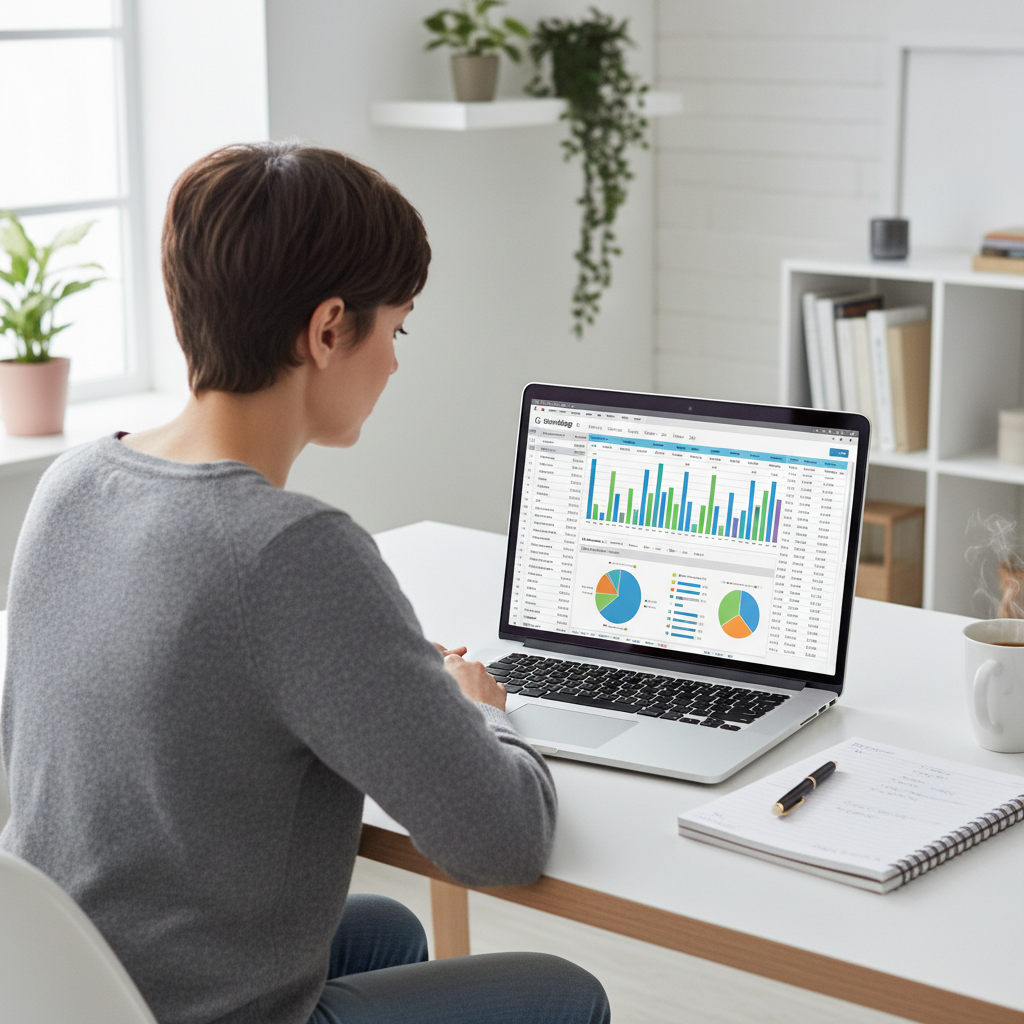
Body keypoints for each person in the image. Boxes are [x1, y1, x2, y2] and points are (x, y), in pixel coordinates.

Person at [0, 142, 610, 1024]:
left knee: (388, 930)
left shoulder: (74, 484)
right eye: (395, 329)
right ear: (328, 331)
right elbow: (500, 840)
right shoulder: (289, 551)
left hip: (65, 983)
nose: (395, 363)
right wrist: (480, 709)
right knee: (566, 994)